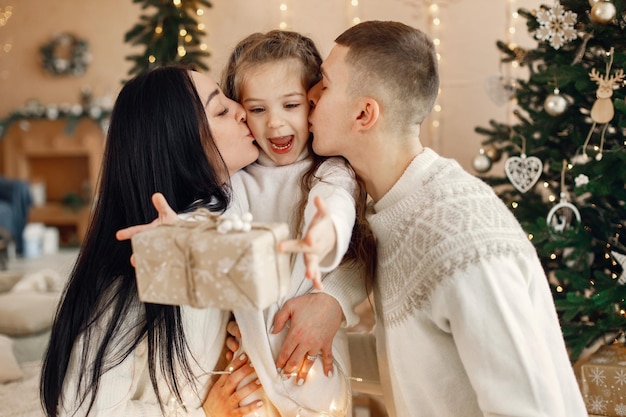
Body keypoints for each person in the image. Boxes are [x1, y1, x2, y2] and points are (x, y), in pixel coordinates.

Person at [279, 20, 588, 417]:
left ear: (364, 113)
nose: (311, 96)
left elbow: (530, 407)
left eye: (325, 83)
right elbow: (421, 366)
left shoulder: (463, 232)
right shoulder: (390, 210)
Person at [40, 65, 266, 417]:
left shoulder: (237, 203)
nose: (240, 110)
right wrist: (204, 414)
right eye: (220, 110)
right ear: (180, 146)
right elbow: (80, 408)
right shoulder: (151, 259)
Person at [217, 29, 375, 416]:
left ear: (313, 103)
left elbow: (333, 205)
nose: (275, 124)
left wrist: (322, 236)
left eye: (291, 105)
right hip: (249, 359)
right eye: (257, 110)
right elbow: (222, 234)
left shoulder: (330, 172)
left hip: (313, 361)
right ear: (240, 112)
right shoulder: (235, 179)